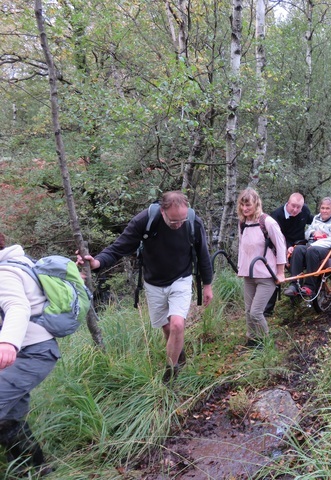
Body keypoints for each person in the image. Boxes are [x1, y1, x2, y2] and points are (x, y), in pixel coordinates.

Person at [77, 191, 213, 384]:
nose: (179, 225)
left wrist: (207, 285)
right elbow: (119, 248)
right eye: (174, 221)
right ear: (163, 211)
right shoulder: (146, 220)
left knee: (177, 324)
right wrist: (96, 263)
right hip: (154, 282)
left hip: (181, 279)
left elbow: (203, 255)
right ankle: (179, 354)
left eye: (182, 220)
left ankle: (170, 376)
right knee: (167, 328)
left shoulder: (193, 222)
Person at [0, 233, 56, 475]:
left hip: (31, 352)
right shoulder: (20, 262)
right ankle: (34, 469)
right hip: (30, 352)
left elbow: (17, 307)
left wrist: (8, 343)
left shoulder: (5, 272)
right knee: (9, 417)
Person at [236, 189, 287, 348]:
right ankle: (252, 341)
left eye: (248, 205)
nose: (245, 208)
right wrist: (240, 268)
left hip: (266, 275)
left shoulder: (268, 222)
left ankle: (266, 343)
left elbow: (280, 247)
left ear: (256, 204)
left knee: (256, 312)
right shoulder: (243, 223)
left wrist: (280, 272)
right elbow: (242, 247)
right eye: (242, 205)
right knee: (248, 312)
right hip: (249, 274)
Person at [263, 192, 314, 316]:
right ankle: (268, 310)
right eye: (293, 206)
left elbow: (313, 222)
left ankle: (296, 297)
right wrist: (286, 248)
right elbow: (276, 237)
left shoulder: (305, 211)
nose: (295, 210)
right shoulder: (277, 215)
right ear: (288, 203)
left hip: (300, 245)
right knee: (274, 272)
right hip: (279, 245)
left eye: (299, 207)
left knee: (299, 261)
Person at [284, 197, 331, 297]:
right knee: (298, 249)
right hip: (313, 246)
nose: (324, 211)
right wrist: (313, 233)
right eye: (322, 208)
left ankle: (309, 287)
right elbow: (307, 232)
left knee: (312, 250)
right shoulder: (317, 218)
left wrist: (320, 240)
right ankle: (295, 284)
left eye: (327, 208)